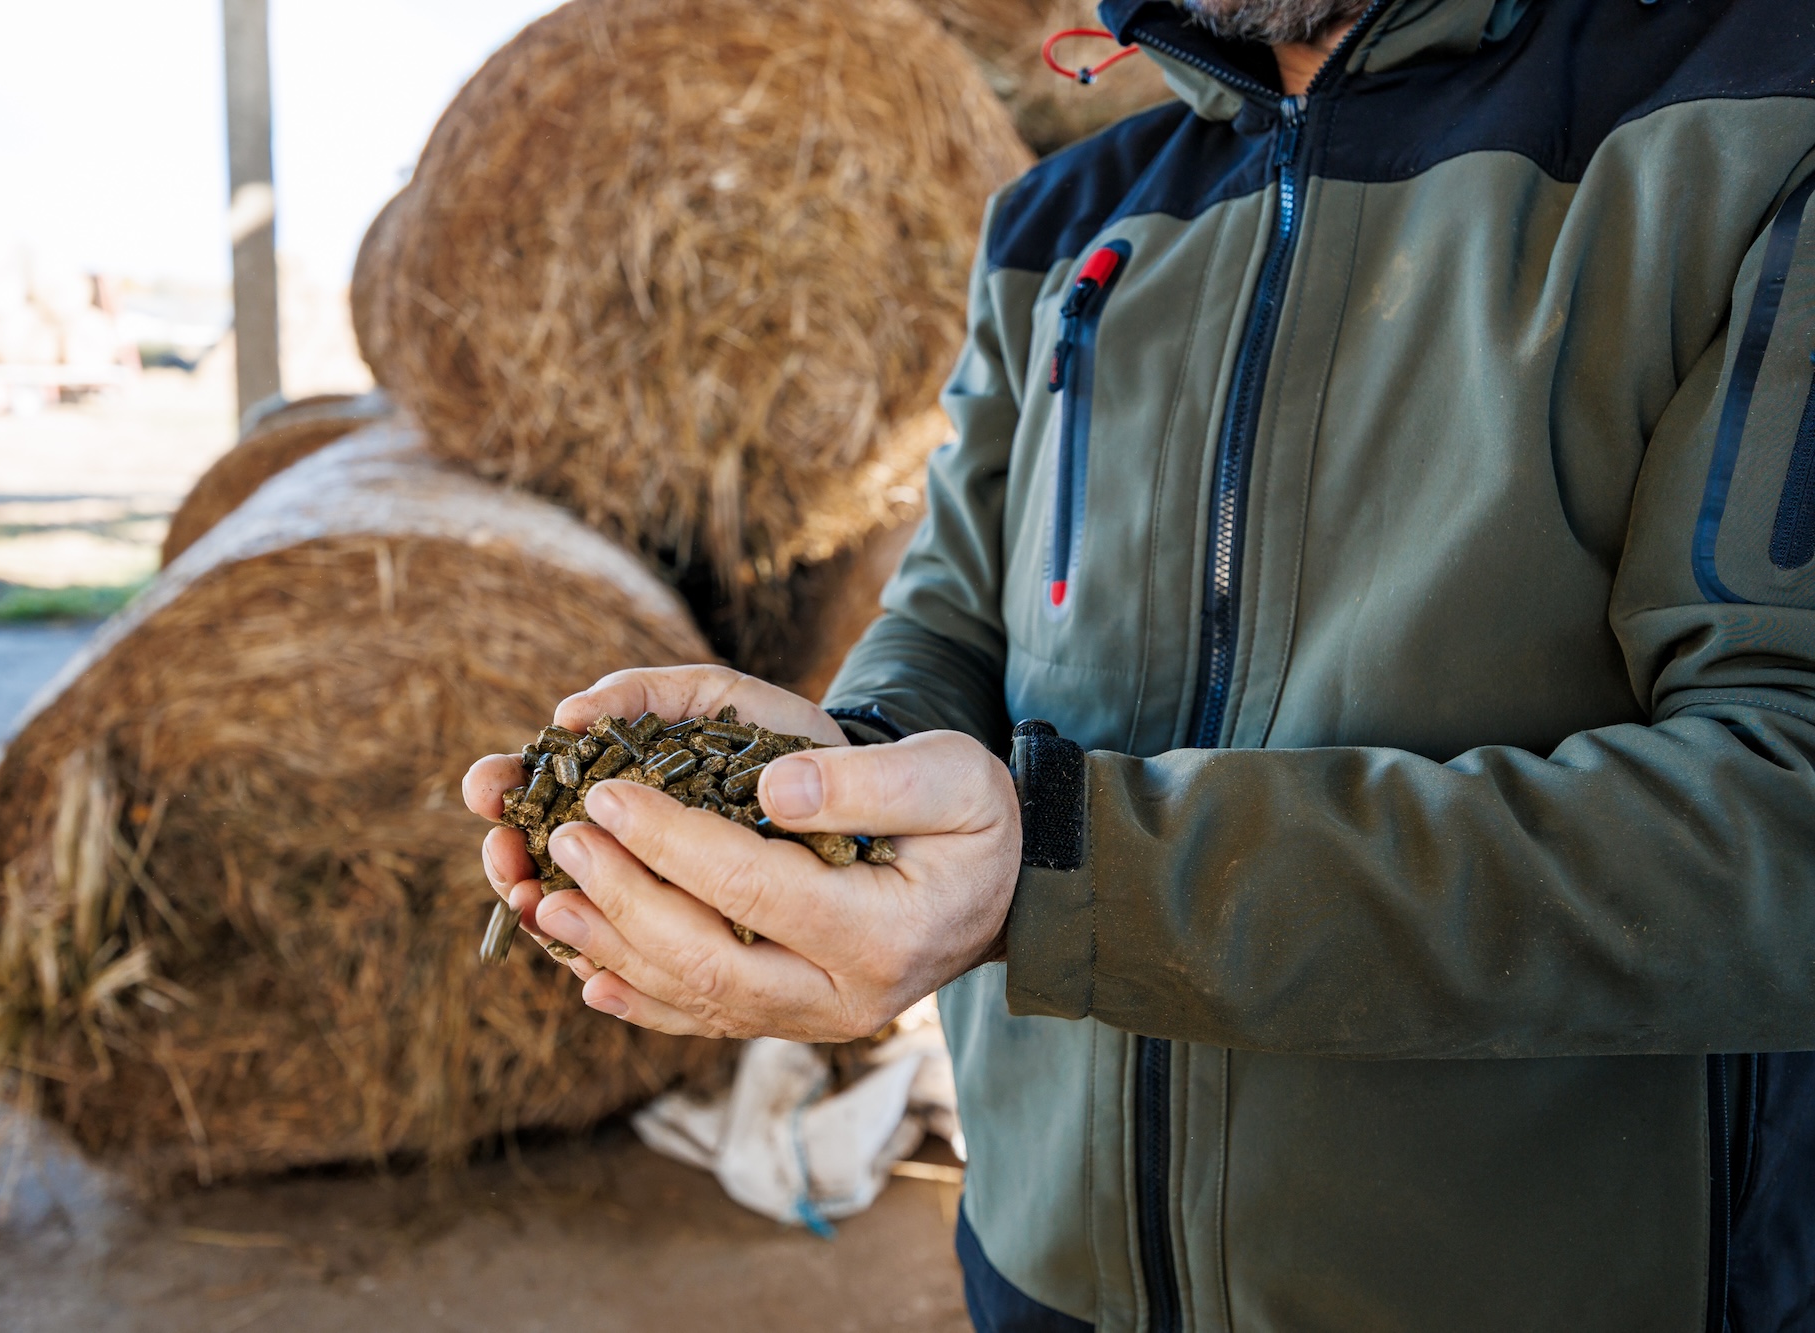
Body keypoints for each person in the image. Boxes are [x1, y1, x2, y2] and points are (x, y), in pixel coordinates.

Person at [464, 0, 1815, 1327]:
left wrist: (1055, 872)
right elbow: (951, 619)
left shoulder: (1755, 119)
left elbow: (1781, 819)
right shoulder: (1061, 221)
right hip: (1046, 1270)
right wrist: (830, 785)